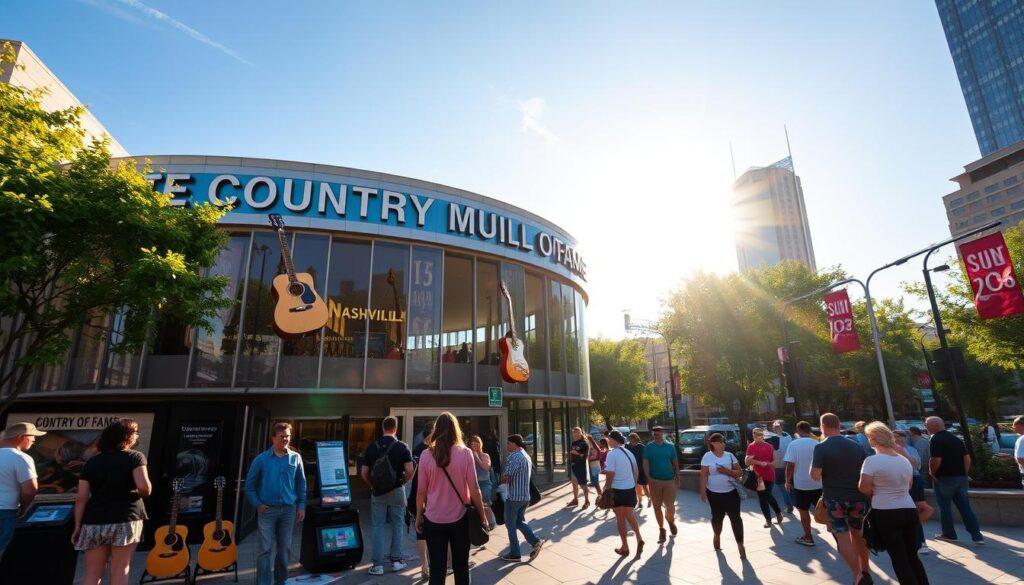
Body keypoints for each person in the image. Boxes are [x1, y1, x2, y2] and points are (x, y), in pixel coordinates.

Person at [71, 419, 149, 585]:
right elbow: (144, 487)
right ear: (127, 437)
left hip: (94, 519)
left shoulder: (92, 462)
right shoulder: (135, 457)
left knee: (93, 572)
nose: (137, 436)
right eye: (135, 433)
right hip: (125, 517)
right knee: (120, 568)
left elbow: (81, 497)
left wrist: (77, 525)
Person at [415, 413, 490, 585]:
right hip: (460, 519)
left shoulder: (426, 455)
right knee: (461, 567)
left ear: (436, 430)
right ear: (455, 430)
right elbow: (475, 489)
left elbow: (421, 491)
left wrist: (419, 514)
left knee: (437, 569)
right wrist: (482, 515)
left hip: (433, 519)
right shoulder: (465, 453)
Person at [859, 422, 930, 585]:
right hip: (909, 510)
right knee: (912, 555)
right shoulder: (904, 460)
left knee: (899, 558)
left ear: (873, 439)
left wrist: (878, 490)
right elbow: (909, 485)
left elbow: (864, 488)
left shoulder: (871, 461)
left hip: (886, 511)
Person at [811, 413, 871, 585]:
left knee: (842, 536)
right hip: (858, 497)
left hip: (835, 499)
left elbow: (815, 476)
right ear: (839, 425)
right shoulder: (856, 446)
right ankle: (866, 570)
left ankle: (858, 576)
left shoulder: (821, 447)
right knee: (859, 534)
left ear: (823, 426)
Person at [359, 416, 415, 576]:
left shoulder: (372, 446)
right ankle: (396, 561)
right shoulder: (402, 447)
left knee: (378, 527)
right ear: (395, 429)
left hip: (378, 492)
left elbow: (364, 472)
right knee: (398, 525)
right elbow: (410, 470)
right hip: (397, 490)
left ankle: (377, 565)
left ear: (382, 428)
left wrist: (372, 485)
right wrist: (402, 482)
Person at [926, 416, 984, 544]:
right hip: (961, 478)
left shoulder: (935, 439)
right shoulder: (955, 438)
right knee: (965, 507)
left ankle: (949, 534)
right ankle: (977, 536)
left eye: (927, 425)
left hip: (944, 478)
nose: (926, 427)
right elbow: (967, 458)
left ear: (934, 425)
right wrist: (964, 473)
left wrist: (932, 473)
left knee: (945, 507)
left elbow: (935, 459)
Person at [0, 422, 43, 562]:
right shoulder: (21, 458)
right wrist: (24, 508)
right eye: (32, 436)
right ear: (21, 437)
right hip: (5, 511)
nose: (34, 440)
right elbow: (30, 490)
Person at [499, 434, 544, 562]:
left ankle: (515, 553)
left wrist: (501, 482)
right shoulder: (525, 455)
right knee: (519, 522)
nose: (507, 446)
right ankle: (535, 541)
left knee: (510, 525)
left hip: (514, 497)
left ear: (514, 444)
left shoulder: (515, 457)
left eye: (508, 443)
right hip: (525, 496)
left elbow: (506, 477)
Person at [699, 433, 744, 558]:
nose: (723, 444)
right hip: (714, 494)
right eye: (720, 442)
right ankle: (717, 535)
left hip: (732, 493)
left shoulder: (730, 455)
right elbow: (703, 475)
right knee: (717, 518)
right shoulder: (707, 456)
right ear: (713, 443)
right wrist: (703, 491)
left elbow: (740, 472)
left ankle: (740, 545)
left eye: (723, 441)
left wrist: (727, 471)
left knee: (736, 519)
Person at [603, 430, 643, 556]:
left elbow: (610, 474)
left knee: (620, 519)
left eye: (609, 439)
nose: (608, 441)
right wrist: (632, 484)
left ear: (613, 439)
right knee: (630, 515)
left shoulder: (612, 454)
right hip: (630, 489)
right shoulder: (629, 452)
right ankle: (639, 538)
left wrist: (606, 488)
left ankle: (624, 547)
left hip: (617, 490)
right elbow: (636, 471)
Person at [894, 430, 934, 555]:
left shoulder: (909, 449)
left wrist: (903, 453)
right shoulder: (889, 450)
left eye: (899, 437)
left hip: (912, 480)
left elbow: (916, 466)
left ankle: (920, 541)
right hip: (901, 481)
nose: (897, 439)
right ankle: (910, 538)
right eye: (895, 437)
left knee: (916, 510)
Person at [784, 420, 822, 546]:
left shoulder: (793, 444)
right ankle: (838, 538)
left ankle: (808, 537)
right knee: (824, 510)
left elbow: (790, 465)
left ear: (798, 430)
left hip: (801, 485)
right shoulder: (817, 443)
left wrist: (787, 481)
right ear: (809, 430)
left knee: (803, 511)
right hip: (818, 483)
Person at [406, 420, 434, 581]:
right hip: (426, 498)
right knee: (428, 531)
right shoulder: (430, 452)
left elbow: (412, 474)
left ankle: (425, 566)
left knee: (421, 532)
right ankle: (429, 565)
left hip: (418, 496)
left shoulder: (417, 450)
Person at [642, 425, 680, 543]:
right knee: (657, 506)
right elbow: (645, 463)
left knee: (670, 506)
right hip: (654, 481)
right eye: (654, 432)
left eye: (658, 431)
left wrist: (678, 477)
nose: (656, 433)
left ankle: (670, 521)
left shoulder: (670, 446)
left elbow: (675, 462)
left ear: (663, 433)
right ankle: (661, 530)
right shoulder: (649, 447)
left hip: (669, 481)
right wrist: (648, 478)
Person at [745, 427, 782, 528]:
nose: (757, 436)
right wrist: (759, 462)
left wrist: (769, 464)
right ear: (753, 435)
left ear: (763, 435)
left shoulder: (769, 446)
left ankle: (778, 513)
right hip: (758, 477)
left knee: (767, 495)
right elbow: (747, 461)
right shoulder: (751, 446)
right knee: (763, 498)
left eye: (759, 434)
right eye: (755, 434)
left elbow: (776, 461)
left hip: (769, 475)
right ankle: (769, 520)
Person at [469, 435, 496, 530]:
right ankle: (482, 524)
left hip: (484, 483)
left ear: (480, 444)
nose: (474, 446)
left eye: (476, 443)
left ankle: (492, 523)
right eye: (472, 444)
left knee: (485, 504)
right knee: (476, 505)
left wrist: (476, 457)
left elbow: (486, 468)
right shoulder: (469, 456)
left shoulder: (485, 455)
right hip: (473, 483)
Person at [769, 420, 795, 514]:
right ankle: (793, 503)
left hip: (779, 466)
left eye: (775, 427)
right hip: (790, 464)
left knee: (781, 486)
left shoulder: (773, 438)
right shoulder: (788, 436)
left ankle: (789, 504)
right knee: (790, 485)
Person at [566, 427, 591, 509]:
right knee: (574, 483)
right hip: (574, 466)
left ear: (581, 433)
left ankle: (587, 501)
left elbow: (586, 456)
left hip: (582, 466)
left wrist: (577, 454)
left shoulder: (584, 443)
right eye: (573, 432)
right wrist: (571, 460)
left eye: (577, 432)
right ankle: (575, 500)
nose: (575, 434)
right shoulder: (573, 443)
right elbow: (571, 453)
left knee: (583, 484)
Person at [626, 432, 649, 510]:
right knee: (636, 487)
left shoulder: (642, 447)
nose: (631, 441)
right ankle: (639, 502)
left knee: (644, 487)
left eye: (632, 439)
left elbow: (646, 459)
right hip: (631, 470)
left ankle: (649, 498)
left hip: (641, 470)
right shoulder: (627, 447)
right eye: (629, 439)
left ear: (636, 439)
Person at [1012, 416, 1024, 488]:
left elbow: (1020, 459)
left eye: (1014, 424)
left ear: (1021, 425)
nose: (1013, 427)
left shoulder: (1022, 439)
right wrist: (1011, 457)